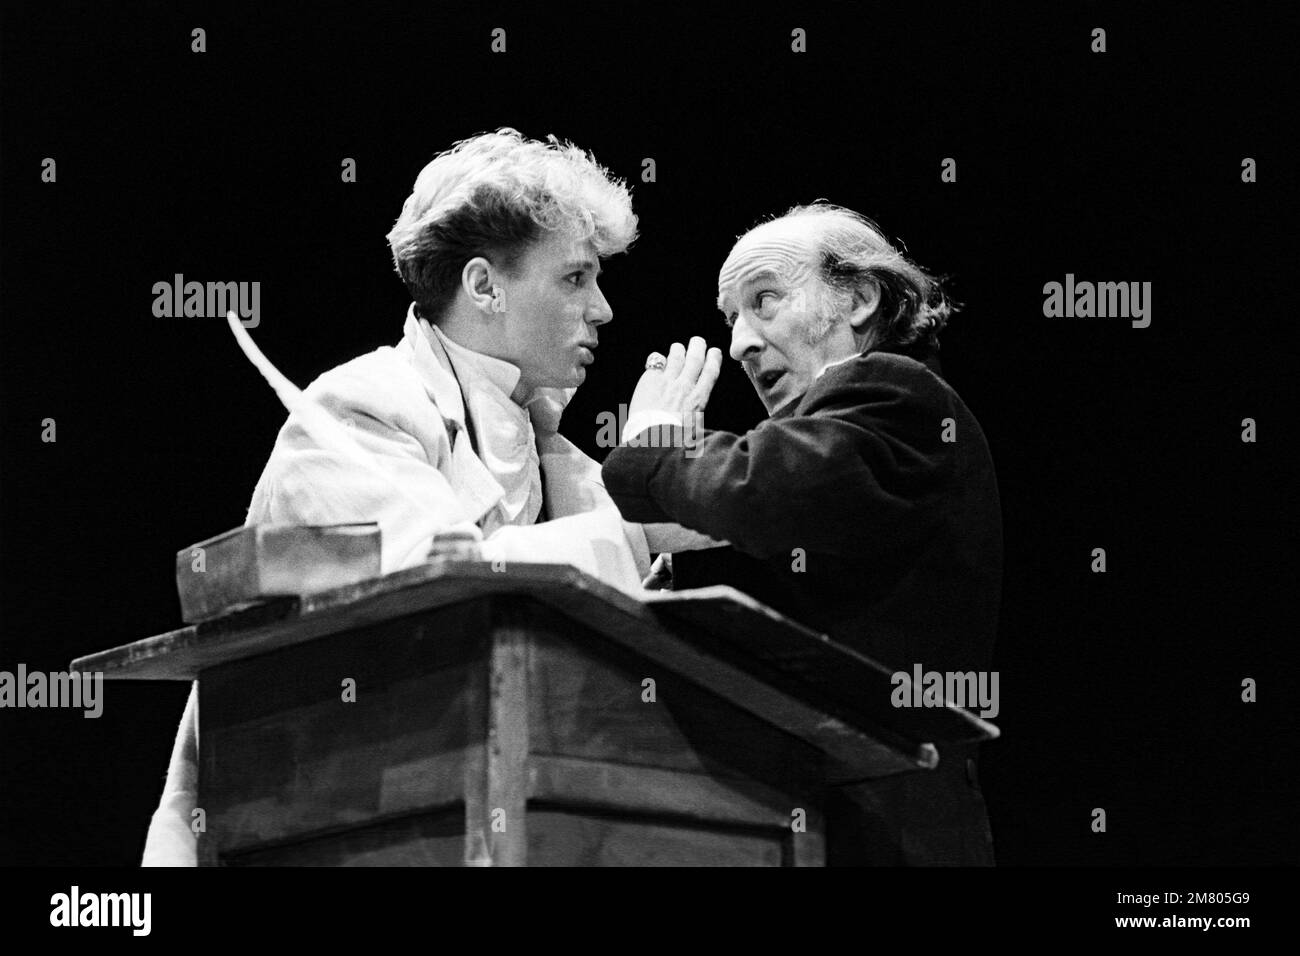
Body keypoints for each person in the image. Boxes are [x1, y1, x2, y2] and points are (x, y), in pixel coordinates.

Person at [142, 129, 714, 866]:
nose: (602, 308)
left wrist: (670, 487)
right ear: (484, 286)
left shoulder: (551, 451)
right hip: (340, 824)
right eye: (575, 278)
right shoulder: (357, 406)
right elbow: (435, 592)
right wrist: (642, 519)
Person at [601, 202, 1003, 865]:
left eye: (765, 301)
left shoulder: (896, 394)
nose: (740, 343)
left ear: (860, 298)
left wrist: (656, 446)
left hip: (884, 819)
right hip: (830, 805)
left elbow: (764, 490)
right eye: (731, 319)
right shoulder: (854, 440)